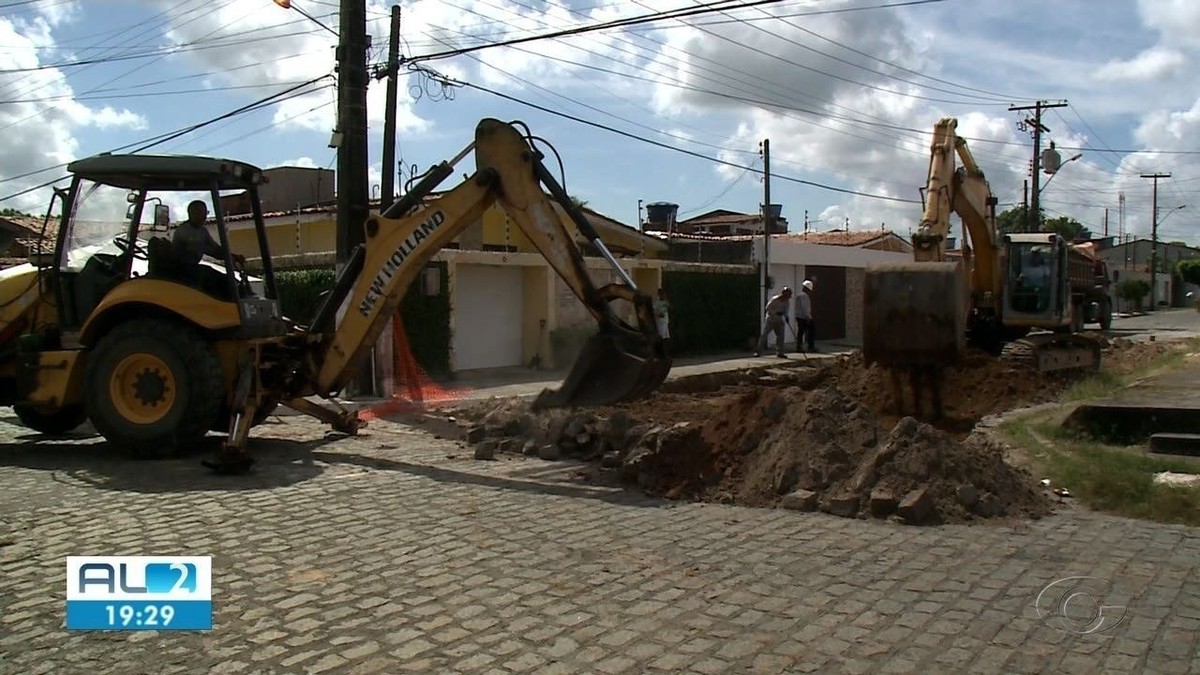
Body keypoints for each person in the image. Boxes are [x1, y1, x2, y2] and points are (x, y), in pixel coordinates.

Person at [171, 200, 244, 294]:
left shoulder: (202, 231)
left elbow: (215, 249)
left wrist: (234, 256)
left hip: (193, 269)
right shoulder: (184, 231)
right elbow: (208, 250)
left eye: (206, 213)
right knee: (219, 281)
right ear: (192, 213)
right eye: (202, 213)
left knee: (229, 281)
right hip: (182, 271)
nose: (205, 217)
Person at [754, 286, 792, 358]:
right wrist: (775, 312)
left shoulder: (787, 302)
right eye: (786, 296)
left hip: (779, 320)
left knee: (781, 336)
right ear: (783, 294)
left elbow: (786, 311)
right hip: (770, 319)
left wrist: (786, 316)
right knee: (764, 335)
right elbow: (768, 308)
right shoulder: (774, 299)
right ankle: (758, 352)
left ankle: (780, 352)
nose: (787, 298)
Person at [795, 279, 816, 353]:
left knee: (800, 332)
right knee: (811, 331)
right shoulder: (805, 296)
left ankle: (799, 346)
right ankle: (810, 347)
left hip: (799, 316)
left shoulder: (799, 295)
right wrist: (809, 317)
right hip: (804, 317)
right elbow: (805, 308)